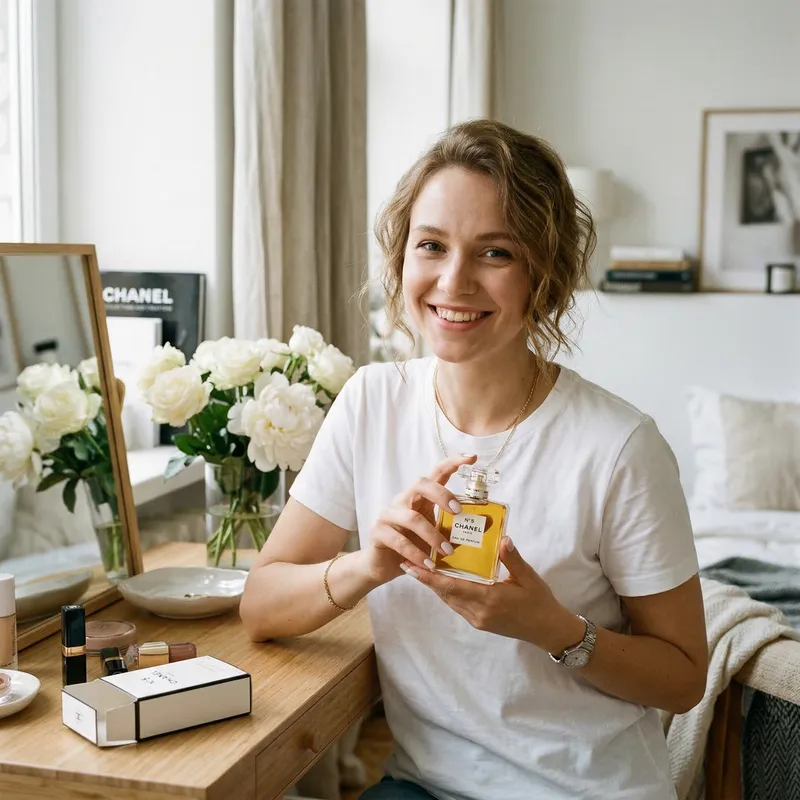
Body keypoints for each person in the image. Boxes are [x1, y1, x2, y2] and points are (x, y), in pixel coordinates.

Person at [240, 119, 708, 800]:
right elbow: (262, 602)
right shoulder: (372, 402)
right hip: (424, 787)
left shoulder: (620, 448)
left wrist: (552, 628)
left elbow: (686, 675)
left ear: (544, 277)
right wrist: (370, 562)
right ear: (401, 259)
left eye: (495, 253)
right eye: (431, 245)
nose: (453, 282)